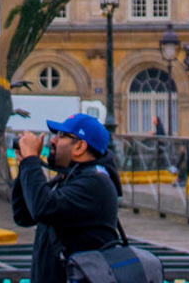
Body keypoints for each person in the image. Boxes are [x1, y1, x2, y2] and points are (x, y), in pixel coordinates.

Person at [11, 114, 122, 283]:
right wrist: (25, 165)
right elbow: (23, 214)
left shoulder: (95, 183)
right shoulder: (71, 179)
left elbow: (42, 207)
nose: (52, 141)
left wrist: (31, 160)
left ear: (79, 147)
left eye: (61, 135)